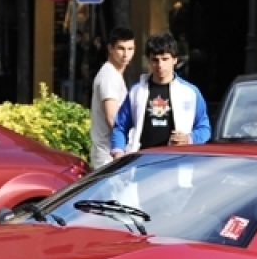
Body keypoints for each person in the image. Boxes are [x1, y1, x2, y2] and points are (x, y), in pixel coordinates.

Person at [110, 32, 210, 157]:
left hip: (177, 162)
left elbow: (204, 128)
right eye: (155, 60)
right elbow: (120, 127)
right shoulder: (136, 92)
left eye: (165, 59)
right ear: (149, 61)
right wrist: (118, 152)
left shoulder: (190, 93)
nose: (160, 65)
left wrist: (189, 139)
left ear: (175, 60)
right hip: (141, 163)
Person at [90, 27, 135, 169]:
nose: (126, 54)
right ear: (110, 48)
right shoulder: (109, 77)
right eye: (121, 48)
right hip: (108, 156)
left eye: (130, 49)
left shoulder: (114, 75)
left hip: (112, 154)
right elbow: (113, 119)